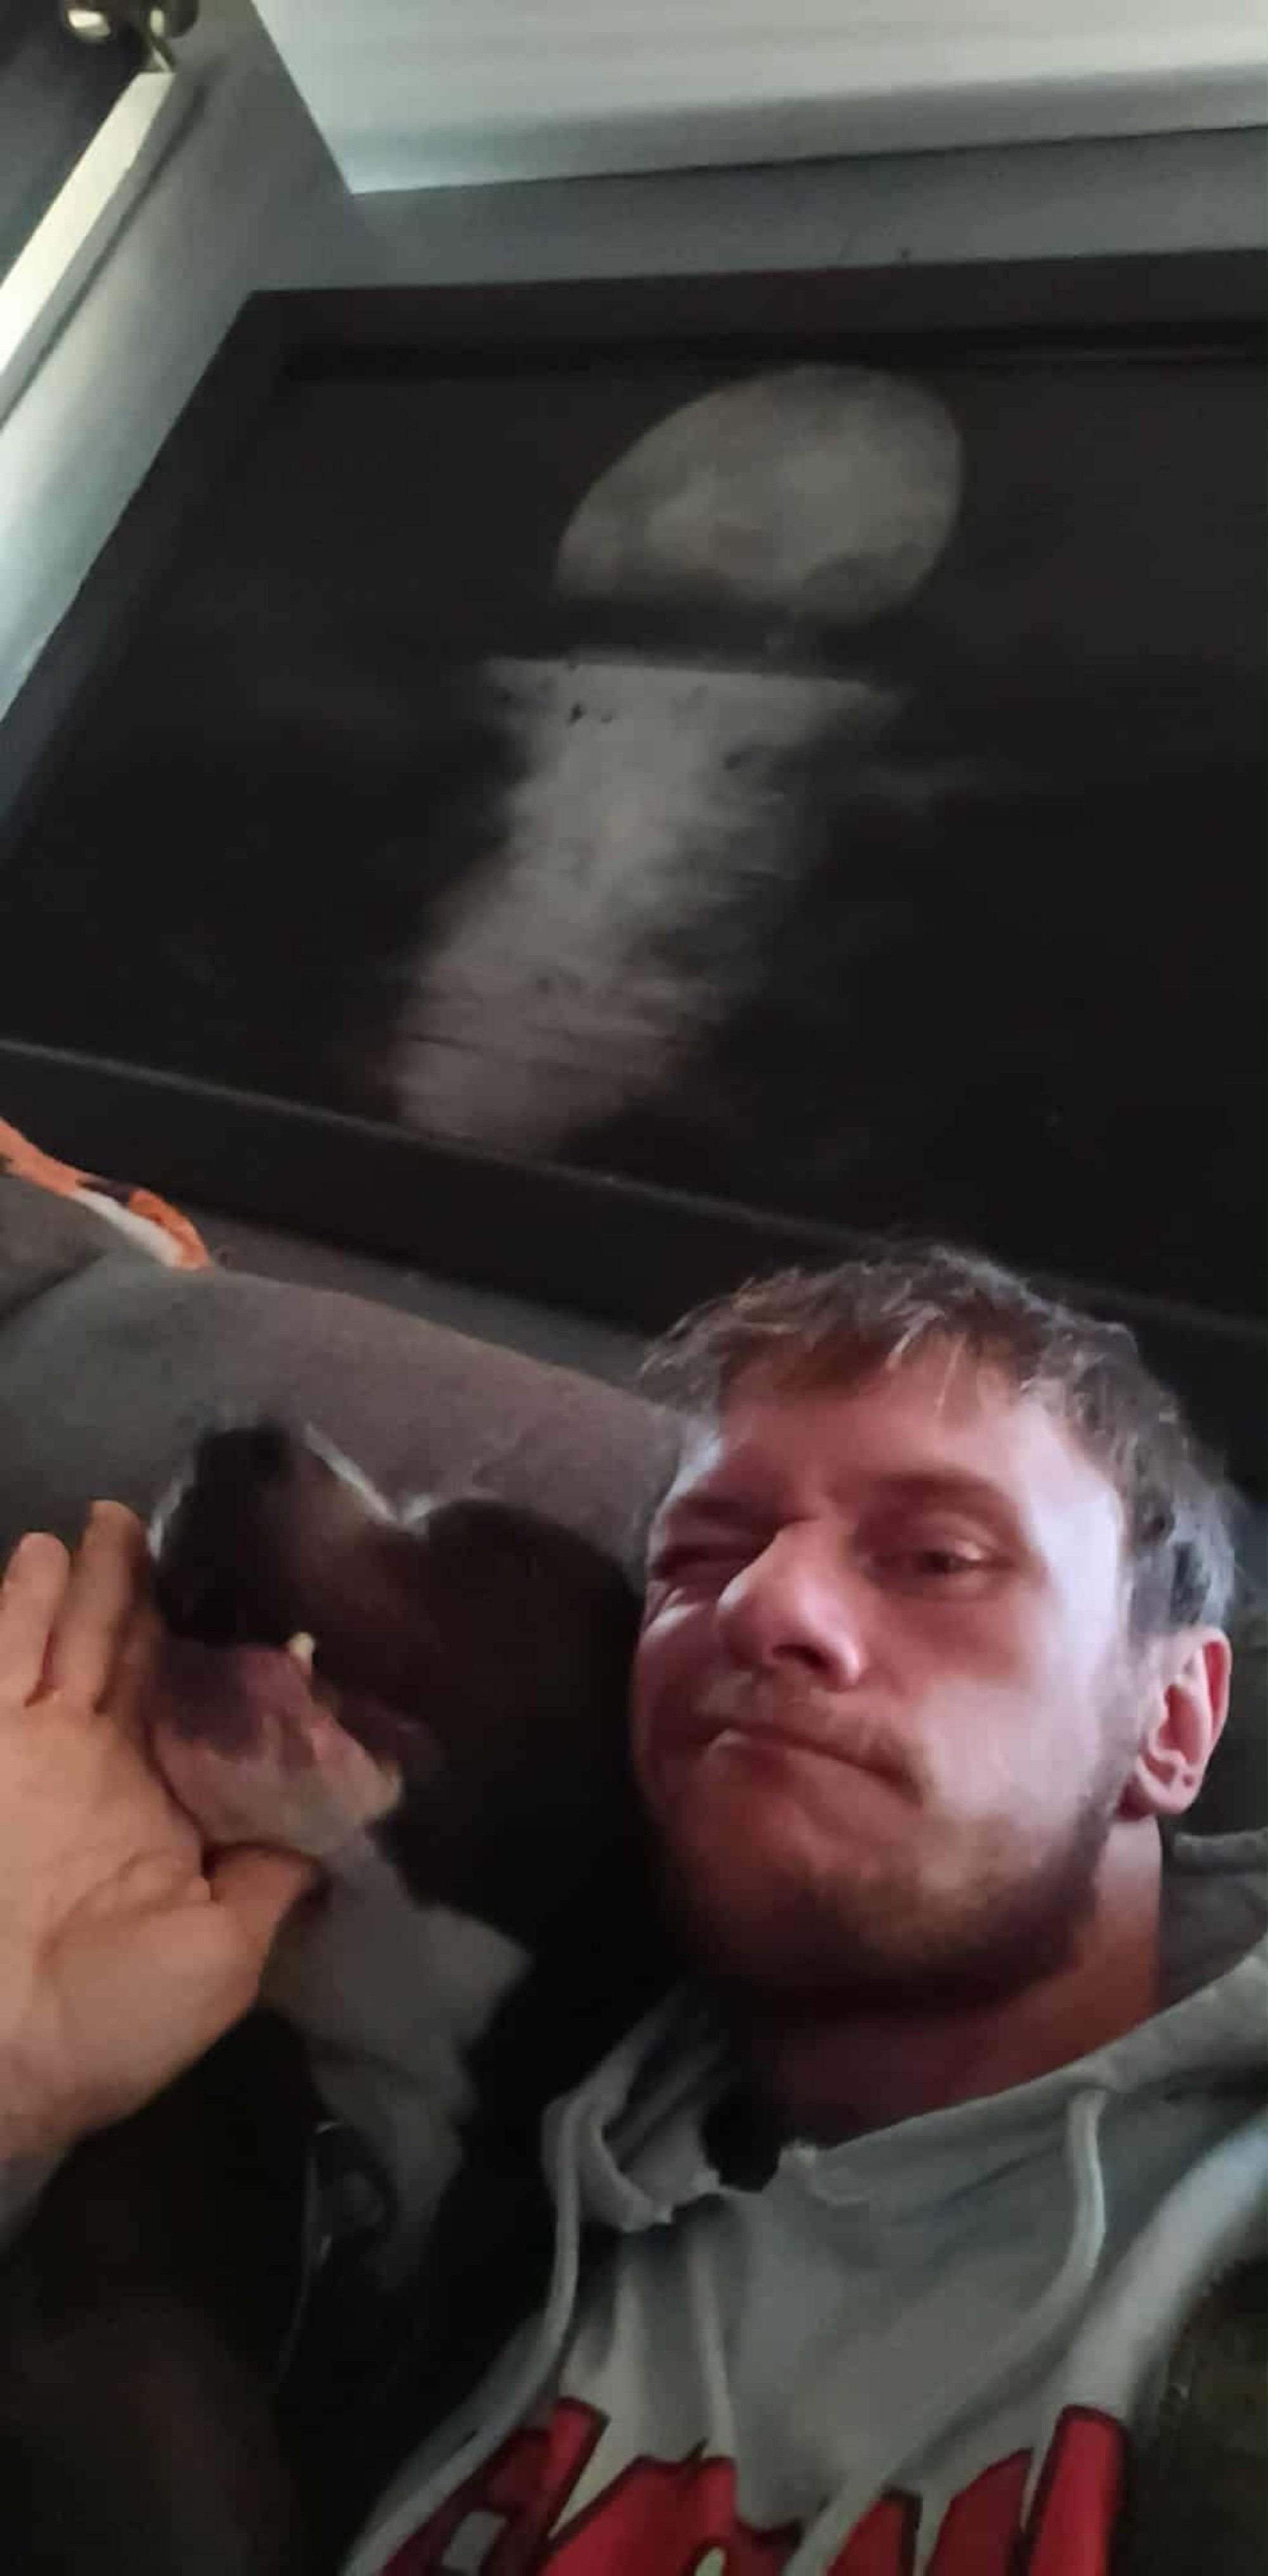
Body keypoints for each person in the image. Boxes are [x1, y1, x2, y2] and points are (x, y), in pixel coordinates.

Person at [1, 1243, 1264, 2575]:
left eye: (936, 1557)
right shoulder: (491, 2178)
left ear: (1170, 1721)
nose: (762, 1604)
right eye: (699, 1559)